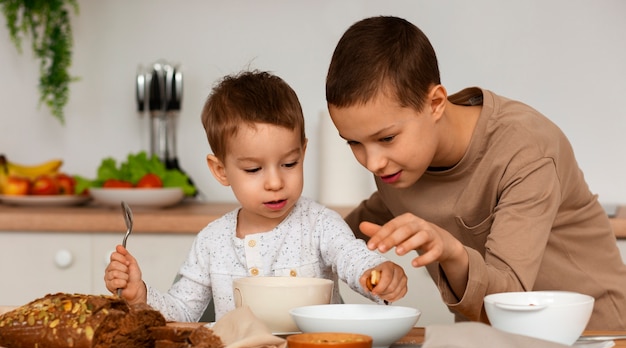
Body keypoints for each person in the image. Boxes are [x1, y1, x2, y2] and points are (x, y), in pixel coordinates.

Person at [325, 16, 626, 330]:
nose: (372, 162)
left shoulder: (526, 149)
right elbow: (341, 234)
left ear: (436, 103)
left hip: (598, 338)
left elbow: (509, 303)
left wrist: (451, 250)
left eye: (386, 138)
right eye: (354, 143)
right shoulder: (397, 166)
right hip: (501, 346)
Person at [104, 70, 408, 322]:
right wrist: (141, 295)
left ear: (303, 151)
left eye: (289, 164)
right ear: (221, 170)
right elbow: (182, 312)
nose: (275, 182)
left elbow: (350, 257)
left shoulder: (320, 224)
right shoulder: (212, 242)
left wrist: (377, 274)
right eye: (253, 169)